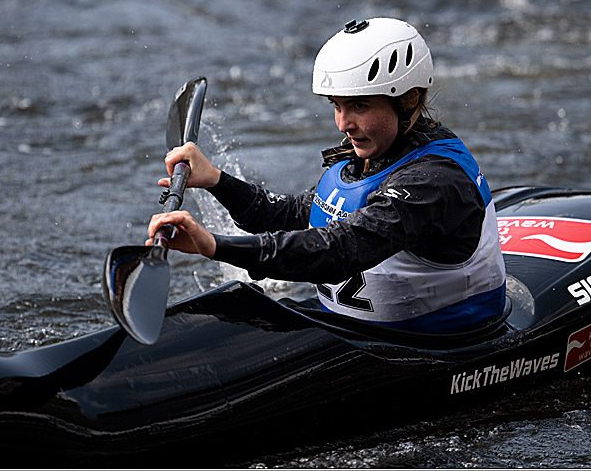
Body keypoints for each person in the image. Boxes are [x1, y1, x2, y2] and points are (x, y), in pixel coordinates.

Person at [146, 17, 506, 334]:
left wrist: (214, 246)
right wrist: (216, 180)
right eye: (337, 105)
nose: (343, 124)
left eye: (359, 106)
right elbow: (288, 216)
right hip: (352, 332)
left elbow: (339, 250)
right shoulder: (367, 157)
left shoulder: (434, 182)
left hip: (431, 345)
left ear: (409, 99)